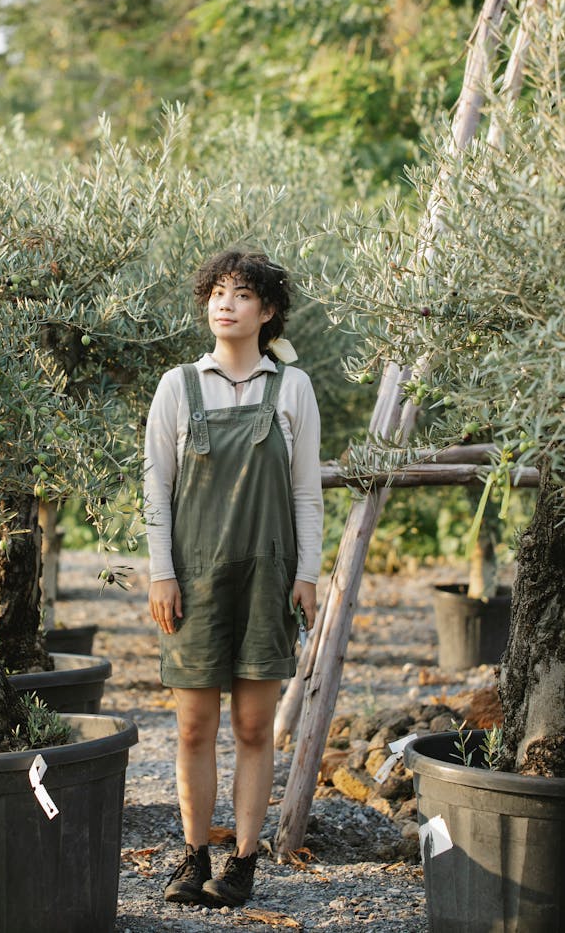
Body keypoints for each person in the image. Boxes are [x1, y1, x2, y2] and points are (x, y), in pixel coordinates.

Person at [144, 249, 323, 909]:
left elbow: (307, 491)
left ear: (267, 310)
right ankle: (193, 854)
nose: (225, 303)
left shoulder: (292, 388)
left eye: (242, 294)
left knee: (253, 727)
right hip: (192, 580)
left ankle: (243, 861)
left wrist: (307, 572)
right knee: (193, 726)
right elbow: (155, 488)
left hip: (266, 579)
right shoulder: (179, 386)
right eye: (217, 292)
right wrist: (162, 572)